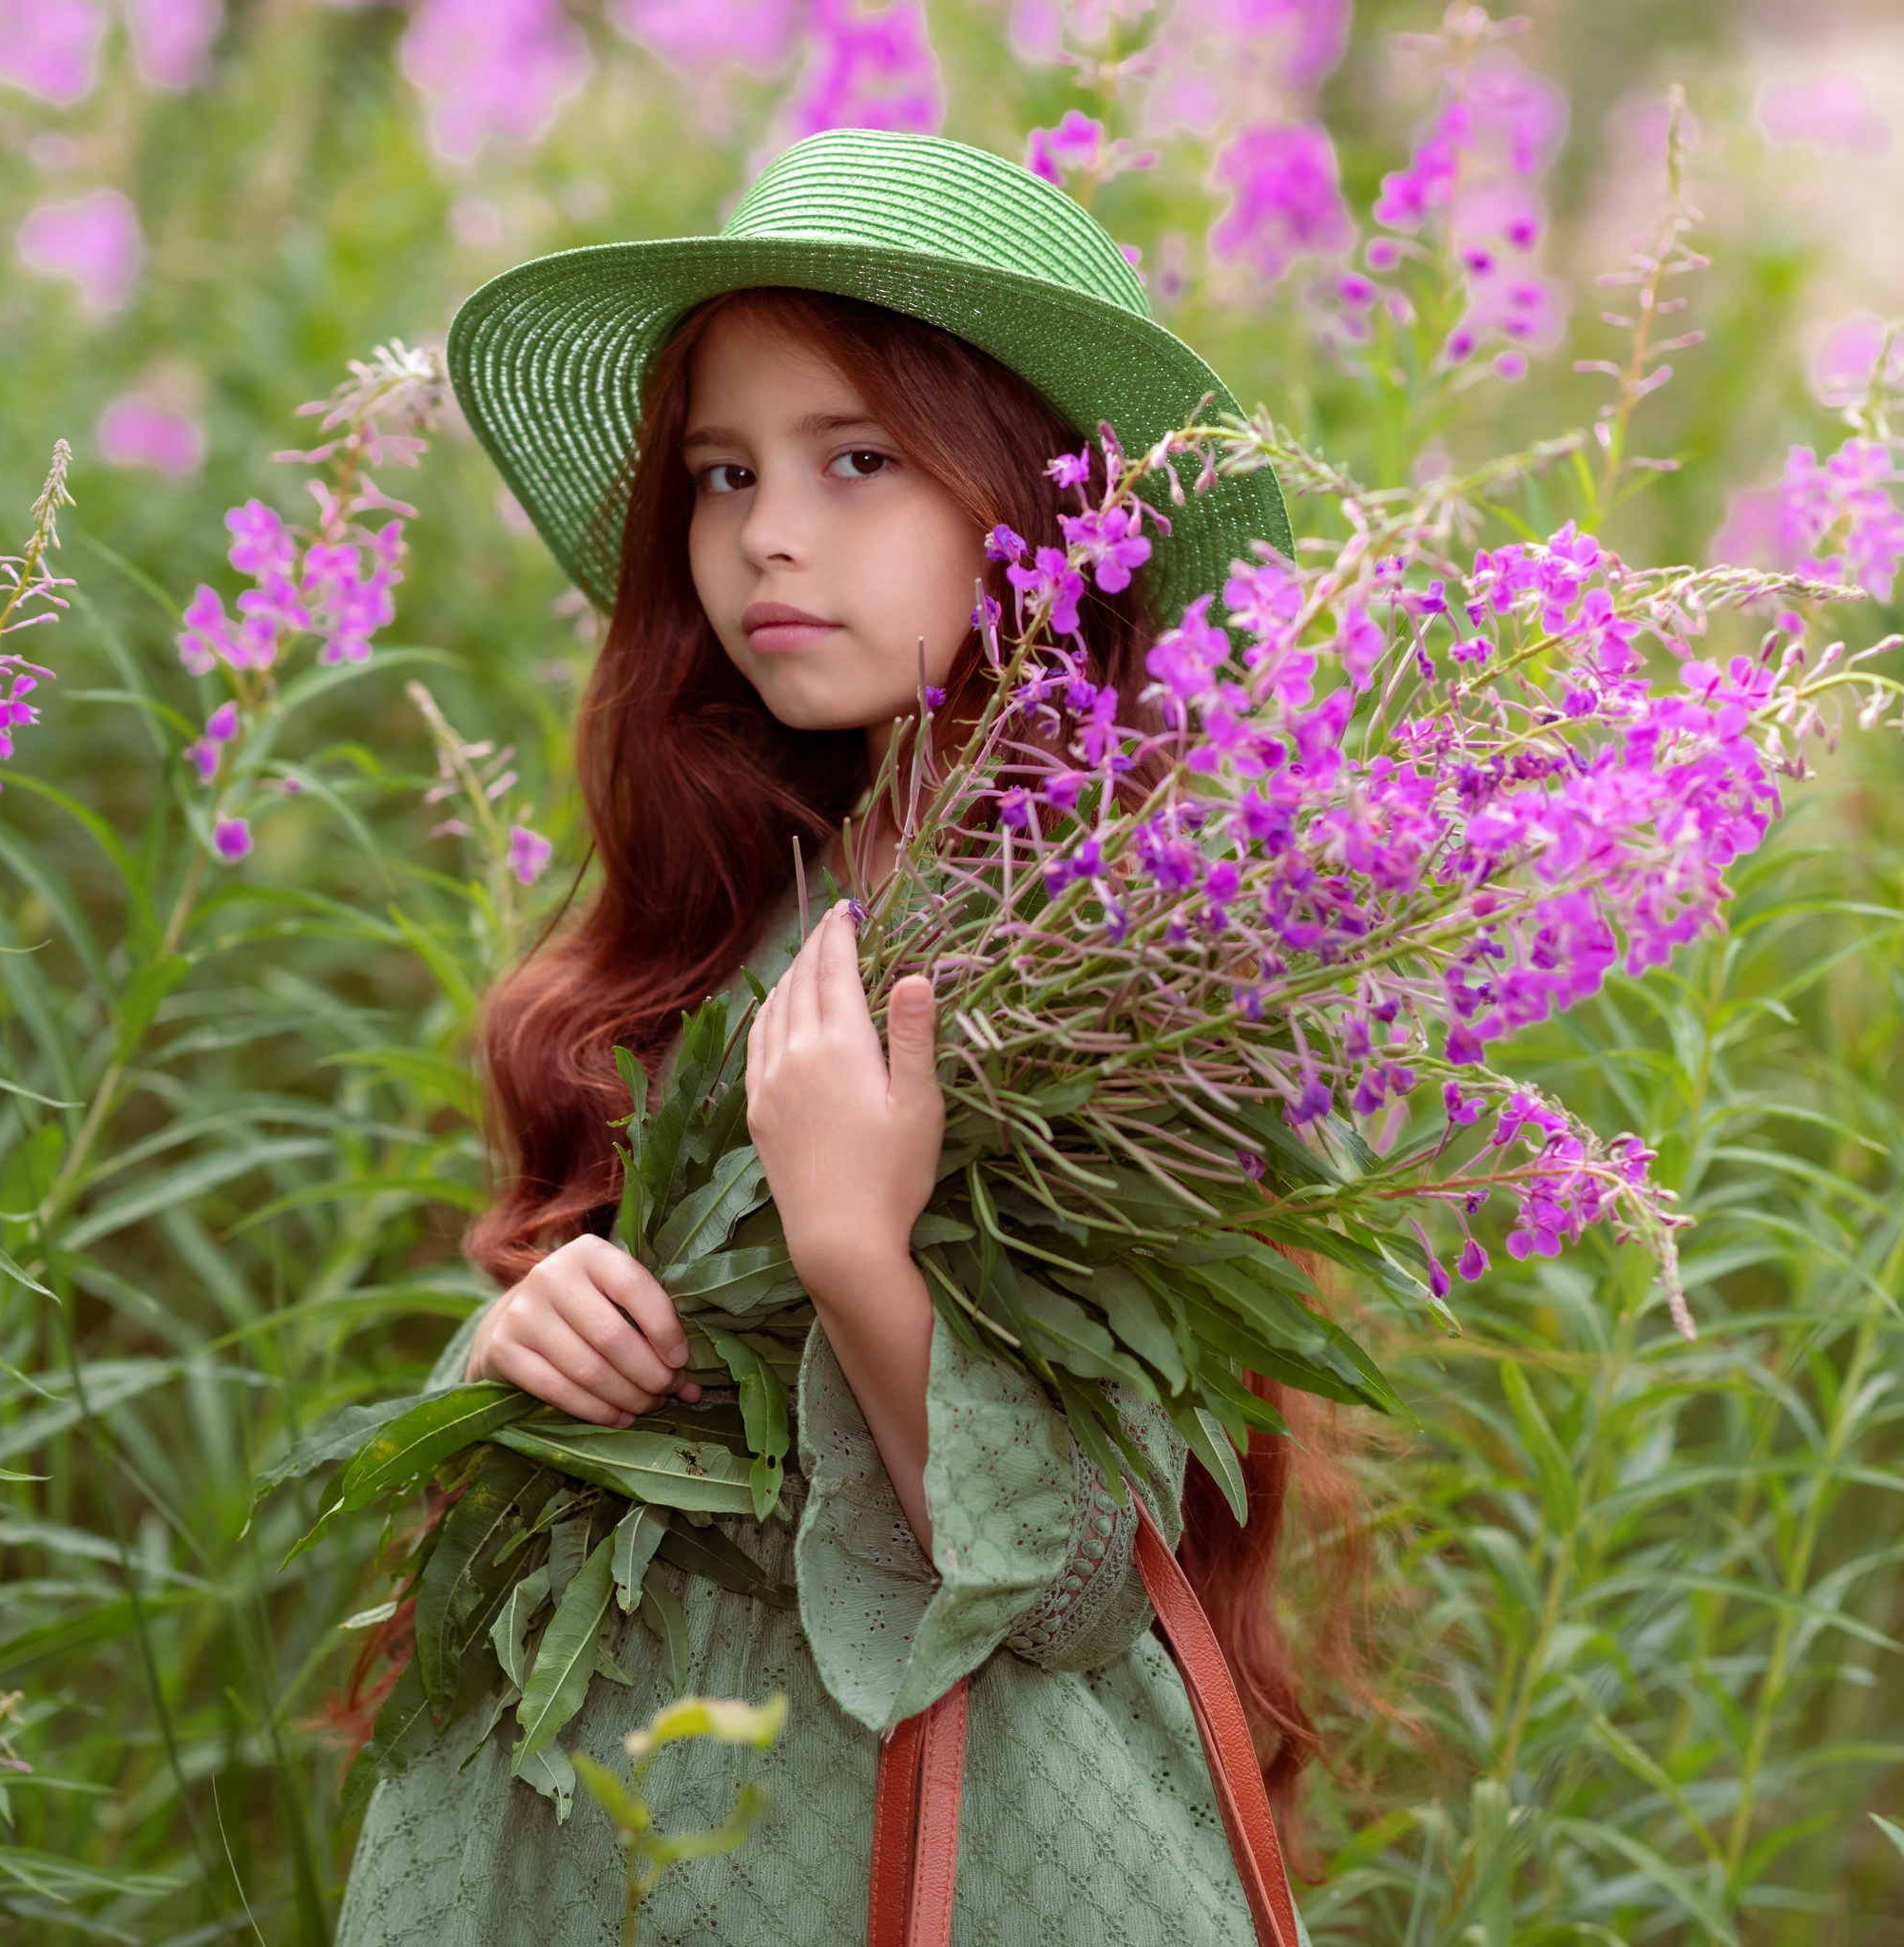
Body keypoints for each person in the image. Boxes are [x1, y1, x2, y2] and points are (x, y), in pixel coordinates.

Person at [336, 127, 1337, 1947]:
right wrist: (521, 1338)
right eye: (722, 473)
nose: (766, 534)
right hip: (599, 1814)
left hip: (924, 1836)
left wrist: (856, 1251)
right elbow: (621, 1364)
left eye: (856, 460)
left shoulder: (1131, 957)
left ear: (1043, 504)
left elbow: (1076, 1582)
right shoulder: (742, 901)